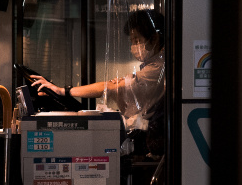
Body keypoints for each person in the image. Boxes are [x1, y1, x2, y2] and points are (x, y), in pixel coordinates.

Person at [30, 9, 166, 156]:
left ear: (154, 39)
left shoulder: (157, 68)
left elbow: (111, 87)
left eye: (137, 40)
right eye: (132, 41)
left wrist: (63, 91)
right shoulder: (154, 65)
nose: (133, 47)